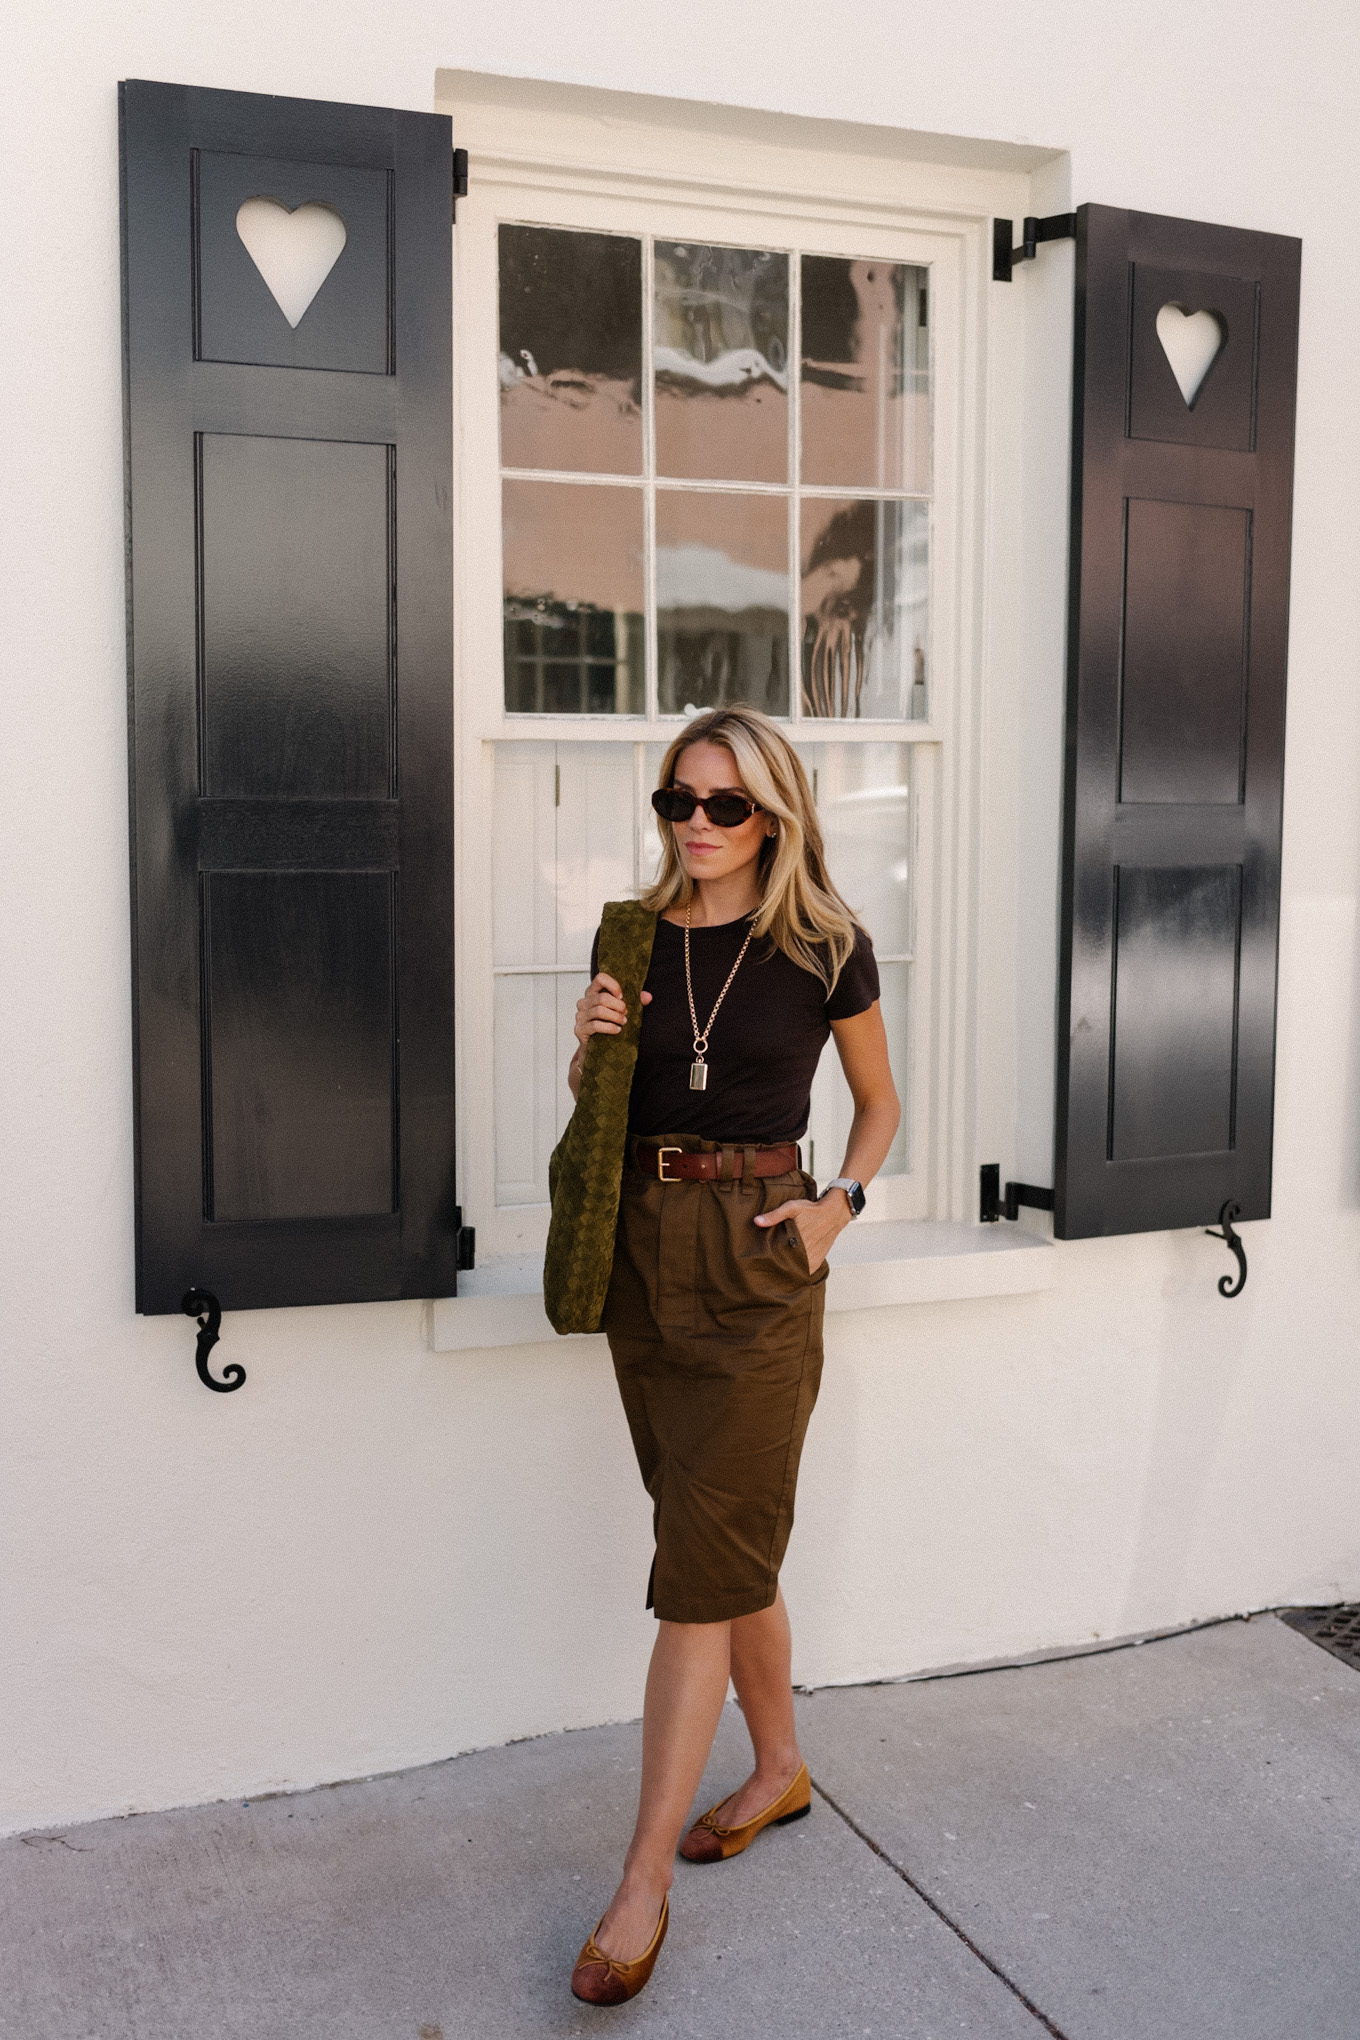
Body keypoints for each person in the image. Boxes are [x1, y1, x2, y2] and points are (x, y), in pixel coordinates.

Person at [567, 705, 901, 2006]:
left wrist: (841, 1210)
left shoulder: (825, 945)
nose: (696, 827)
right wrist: (593, 1038)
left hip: (762, 1265)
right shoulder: (633, 940)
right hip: (645, 1258)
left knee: (697, 1575)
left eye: (725, 806)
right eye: (677, 802)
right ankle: (779, 1769)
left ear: (777, 815)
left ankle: (641, 1882)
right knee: (720, 1535)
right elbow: (599, 1124)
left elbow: (878, 1106)